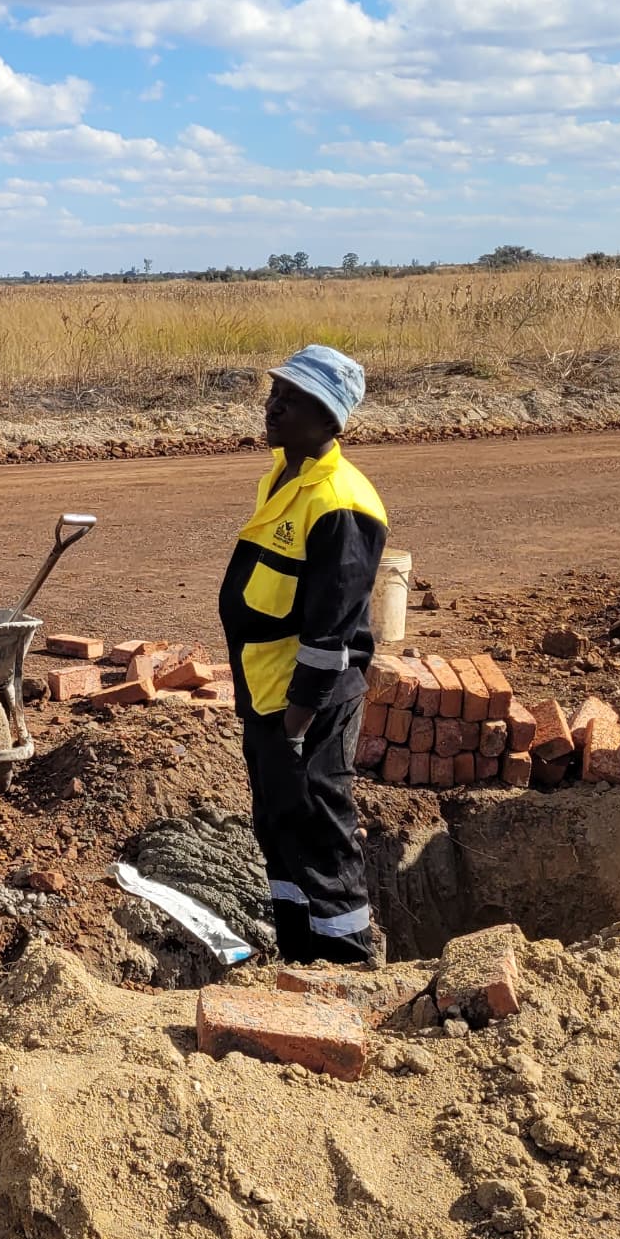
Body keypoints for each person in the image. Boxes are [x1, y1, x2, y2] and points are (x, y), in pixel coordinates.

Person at [218, 345, 391, 966]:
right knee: (278, 827)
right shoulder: (283, 475)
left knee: (320, 833)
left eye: (292, 401)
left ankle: (349, 967)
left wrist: (295, 730)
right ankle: (299, 960)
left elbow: (330, 636)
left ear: (328, 421)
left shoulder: (343, 503)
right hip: (268, 694)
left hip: (309, 707)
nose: (273, 407)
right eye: (275, 394)